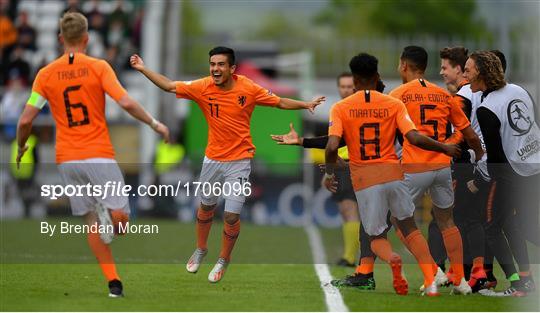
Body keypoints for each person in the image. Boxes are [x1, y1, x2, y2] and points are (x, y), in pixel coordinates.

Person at [130, 46, 325, 283]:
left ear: (232, 68)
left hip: (239, 161)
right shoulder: (202, 87)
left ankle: (223, 259)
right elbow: (169, 85)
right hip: (212, 160)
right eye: (212, 64)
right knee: (205, 208)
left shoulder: (248, 88)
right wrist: (142, 69)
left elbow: (279, 102)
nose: (215, 69)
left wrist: (305, 105)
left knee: (231, 216)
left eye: (221, 64)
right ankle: (201, 249)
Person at [15, 12, 170, 297]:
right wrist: (154, 123)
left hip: (67, 159)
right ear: (87, 38)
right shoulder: (98, 67)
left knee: (90, 220)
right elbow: (124, 101)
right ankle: (110, 218)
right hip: (97, 154)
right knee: (122, 222)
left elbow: (25, 120)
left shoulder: (45, 75)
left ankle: (114, 285)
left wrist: (21, 145)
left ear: (61, 38)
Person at [324, 52, 462, 296]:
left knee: (375, 235)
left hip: (366, 180)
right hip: (395, 174)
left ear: (354, 80)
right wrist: (444, 147)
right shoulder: (393, 103)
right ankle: (431, 281)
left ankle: (392, 259)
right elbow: (414, 137)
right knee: (410, 227)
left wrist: (331, 173)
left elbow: (332, 145)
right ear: (377, 76)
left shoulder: (341, 107)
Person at [270, 77, 387, 290]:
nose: (345, 90)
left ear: (360, 87)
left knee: (362, 216)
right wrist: (305, 144)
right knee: (355, 214)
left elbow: (334, 143)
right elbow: (334, 142)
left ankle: (353, 258)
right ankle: (367, 265)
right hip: (349, 167)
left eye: (350, 86)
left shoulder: (352, 110)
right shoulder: (349, 110)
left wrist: (328, 166)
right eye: (342, 86)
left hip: (357, 168)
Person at [389, 46, 485, 294]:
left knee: (399, 220)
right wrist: (481, 155)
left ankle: (434, 271)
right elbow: (469, 135)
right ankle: (461, 281)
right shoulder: (443, 95)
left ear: (403, 65)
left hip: (415, 166)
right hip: (442, 167)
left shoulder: (398, 94)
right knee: (447, 221)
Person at [464, 50, 540, 297]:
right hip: (536, 168)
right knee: (527, 227)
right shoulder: (520, 91)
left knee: (492, 226)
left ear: (482, 73)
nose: (465, 75)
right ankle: (524, 280)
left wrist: (482, 182)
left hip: (512, 174)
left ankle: (520, 285)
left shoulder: (487, 108)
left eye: (469, 70)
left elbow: (496, 158)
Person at [438, 46, 490, 291]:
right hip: (479, 161)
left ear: (460, 70)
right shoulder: (478, 92)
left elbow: (462, 132)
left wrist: (441, 149)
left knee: (460, 219)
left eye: (445, 67)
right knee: (469, 219)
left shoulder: (465, 95)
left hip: (467, 162)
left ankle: (468, 272)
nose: (441, 72)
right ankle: (470, 272)